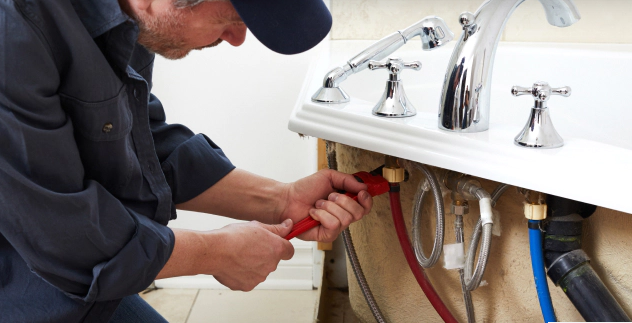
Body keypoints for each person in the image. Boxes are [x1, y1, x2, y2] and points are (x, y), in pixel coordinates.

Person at [0, 0, 373, 322]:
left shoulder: (133, 19)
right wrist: (220, 254)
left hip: (79, 295)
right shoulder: (13, 31)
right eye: (232, 17)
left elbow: (142, 143)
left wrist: (282, 200)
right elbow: (68, 240)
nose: (237, 38)